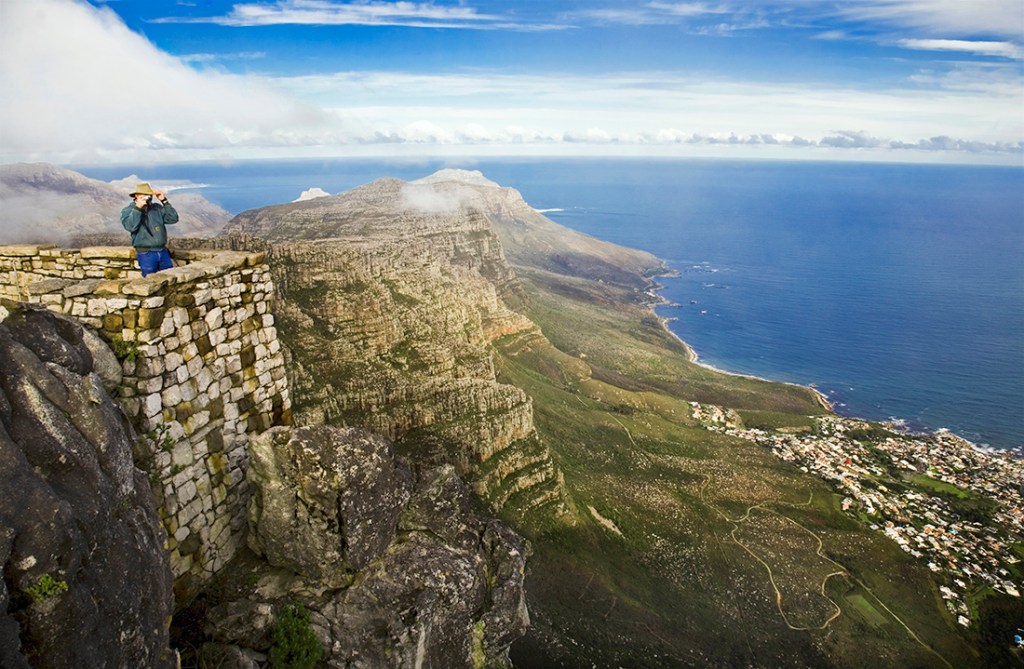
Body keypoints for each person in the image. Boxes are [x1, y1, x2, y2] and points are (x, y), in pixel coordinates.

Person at [121, 182, 179, 277]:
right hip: (146, 254)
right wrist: (138, 208)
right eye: (144, 196)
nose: (148, 199)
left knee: (169, 280)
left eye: (149, 196)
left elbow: (173, 219)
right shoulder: (128, 210)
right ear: (136, 196)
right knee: (151, 282)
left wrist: (164, 201)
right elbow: (130, 226)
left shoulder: (156, 208)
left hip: (162, 251)